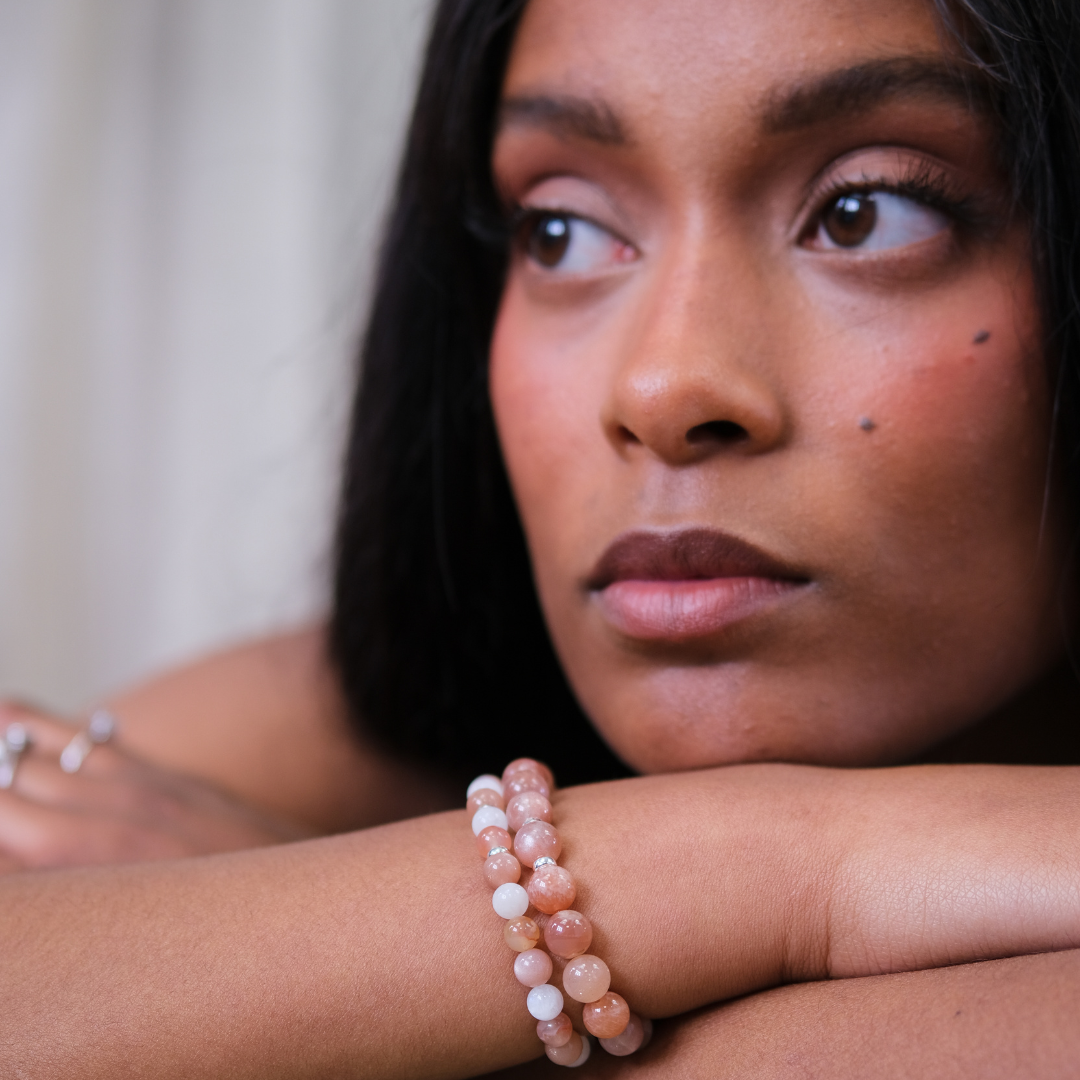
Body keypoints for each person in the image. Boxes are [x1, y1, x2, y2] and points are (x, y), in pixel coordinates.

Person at [1, 0, 1079, 1075]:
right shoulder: (376, 721)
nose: (661, 388)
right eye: (560, 230)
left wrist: (323, 971)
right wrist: (787, 862)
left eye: (864, 213)